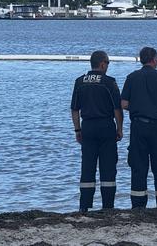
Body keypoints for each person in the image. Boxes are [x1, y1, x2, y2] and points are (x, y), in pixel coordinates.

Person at [121, 47, 157, 208]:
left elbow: (124, 104)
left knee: (138, 166)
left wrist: (140, 108)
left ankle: (138, 205)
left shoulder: (132, 77)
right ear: (154, 59)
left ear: (141, 60)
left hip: (138, 126)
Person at [70, 50, 123, 212]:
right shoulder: (109, 82)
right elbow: (117, 110)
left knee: (87, 167)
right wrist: (119, 129)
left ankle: (84, 206)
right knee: (108, 168)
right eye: (108, 63)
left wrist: (77, 129)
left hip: (87, 127)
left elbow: (74, 109)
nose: (108, 66)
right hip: (106, 126)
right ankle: (108, 206)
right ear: (102, 64)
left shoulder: (80, 82)